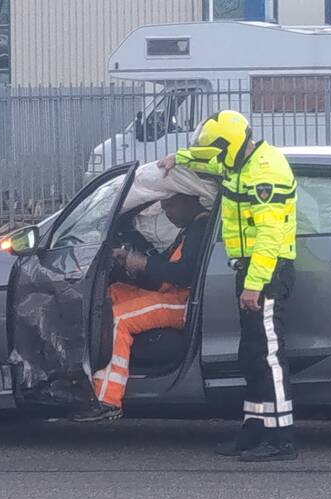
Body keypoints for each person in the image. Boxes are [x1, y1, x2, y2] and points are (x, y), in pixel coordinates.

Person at [161, 110, 298, 462]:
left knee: (268, 357)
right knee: (251, 356)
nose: (217, 161)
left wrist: (254, 285)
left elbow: (270, 235)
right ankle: (255, 429)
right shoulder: (239, 163)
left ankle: (281, 438)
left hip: (267, 272)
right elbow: (211, 160)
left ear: (231, 146)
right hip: (251, 270)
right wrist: (179, 158)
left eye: (218, 152)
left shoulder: (265, 173)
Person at [72, 192, 210, 422]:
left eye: (170, 206)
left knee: (117, 318)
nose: (168, 213)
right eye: (164, 208)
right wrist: (129, 259)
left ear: (189, 200)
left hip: (183, 301)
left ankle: (107, 400)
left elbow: (184, 274)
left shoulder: (200, 228)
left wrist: (143, 263)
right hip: (170, 294)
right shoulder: (191, 227)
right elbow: (167, 265)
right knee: (110, 294)